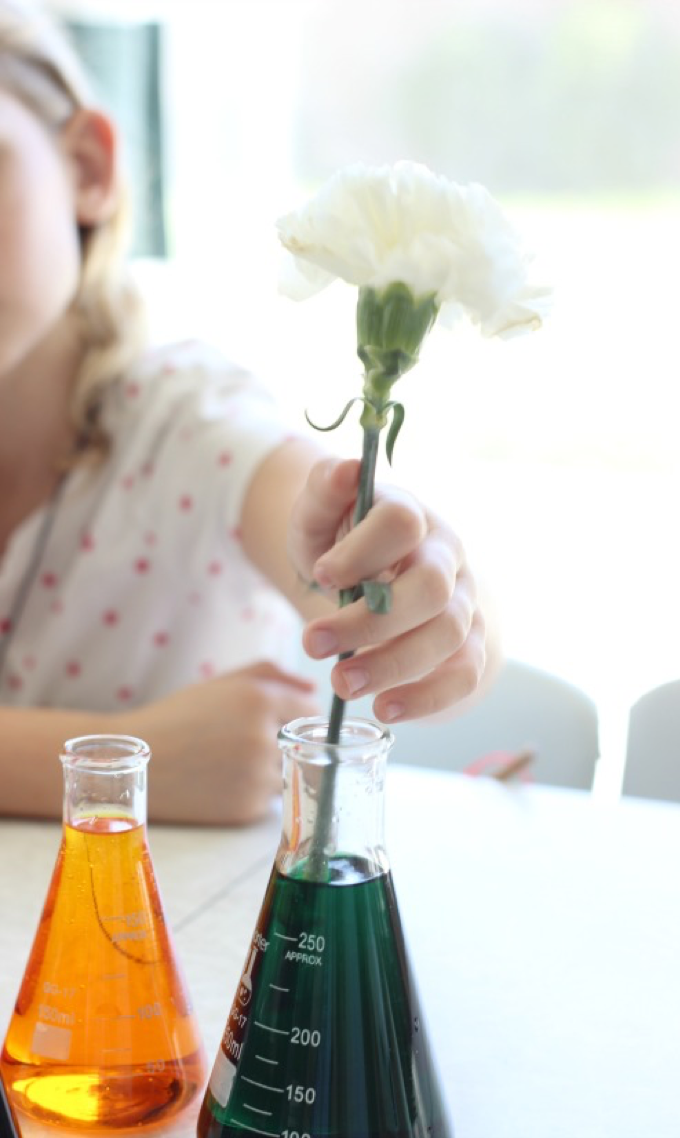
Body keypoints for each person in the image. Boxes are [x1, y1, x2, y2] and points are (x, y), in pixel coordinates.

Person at [0, 0, 493, 825]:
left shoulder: (184, 428)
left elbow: (320, 525)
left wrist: (419, 582)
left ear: (87, 166)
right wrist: (115, 760)